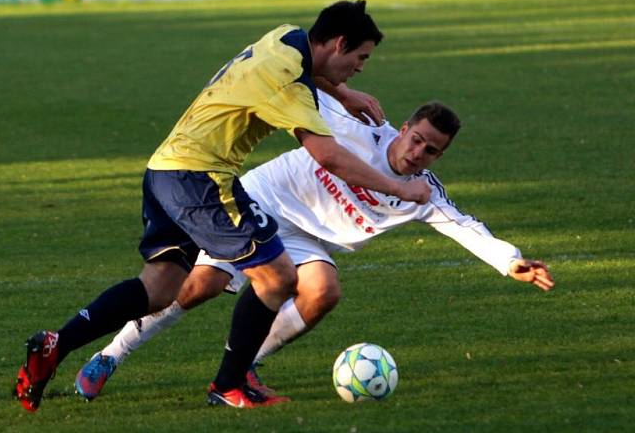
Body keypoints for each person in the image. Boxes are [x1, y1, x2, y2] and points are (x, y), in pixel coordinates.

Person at [14, 0, 433, 412]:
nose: (360, 67)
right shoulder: (289, 83)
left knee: (158, 289)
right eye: (360, 58)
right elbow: (329, 156)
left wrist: (342, 92)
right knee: (278, 278)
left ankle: (57, 344)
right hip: (202, 178)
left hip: (164, 169)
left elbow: (311, 72)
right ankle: (229, 385)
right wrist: (401, 190)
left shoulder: (285, 37)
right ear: (339, 43)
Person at [75, 92, 555, 399]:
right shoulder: (354, 128)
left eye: (431, 150)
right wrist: (345, 90)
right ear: (404, 129)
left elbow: (464, 225)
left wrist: (509, 261)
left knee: (323, 291)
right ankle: (111, 355)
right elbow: (304, 85)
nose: (418, 153)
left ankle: (244, 369)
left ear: (439, 155)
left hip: (305, 237)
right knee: (201, 285)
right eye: (416, 140)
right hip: (262, 201)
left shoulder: (423, 193)